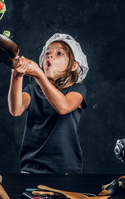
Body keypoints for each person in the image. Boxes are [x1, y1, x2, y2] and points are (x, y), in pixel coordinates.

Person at [7, 33, 89, 174]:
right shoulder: (32, 90)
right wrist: (16, 75)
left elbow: (63, 107)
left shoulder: (77, 89)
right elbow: (16, 110)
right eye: (48, 53)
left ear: (74, 65)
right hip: (31, 167)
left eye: (59, 53)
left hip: (65, 169)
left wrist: (38, 74)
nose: (50, 55)